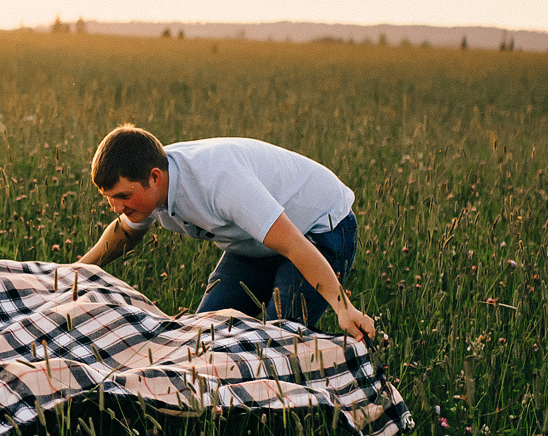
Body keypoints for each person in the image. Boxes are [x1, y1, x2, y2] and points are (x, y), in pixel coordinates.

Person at [76, 125, 376, 341]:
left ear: (154, 178)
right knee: (203, 339)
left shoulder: (219, 181)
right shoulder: (147, 189)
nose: (117, 208)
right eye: (109, 198)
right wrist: (75, 272)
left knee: (279, 341)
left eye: (123, 197)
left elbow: (293, 244)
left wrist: (344, 308)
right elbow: (124, 234)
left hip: (316, 230)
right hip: (253, 242)